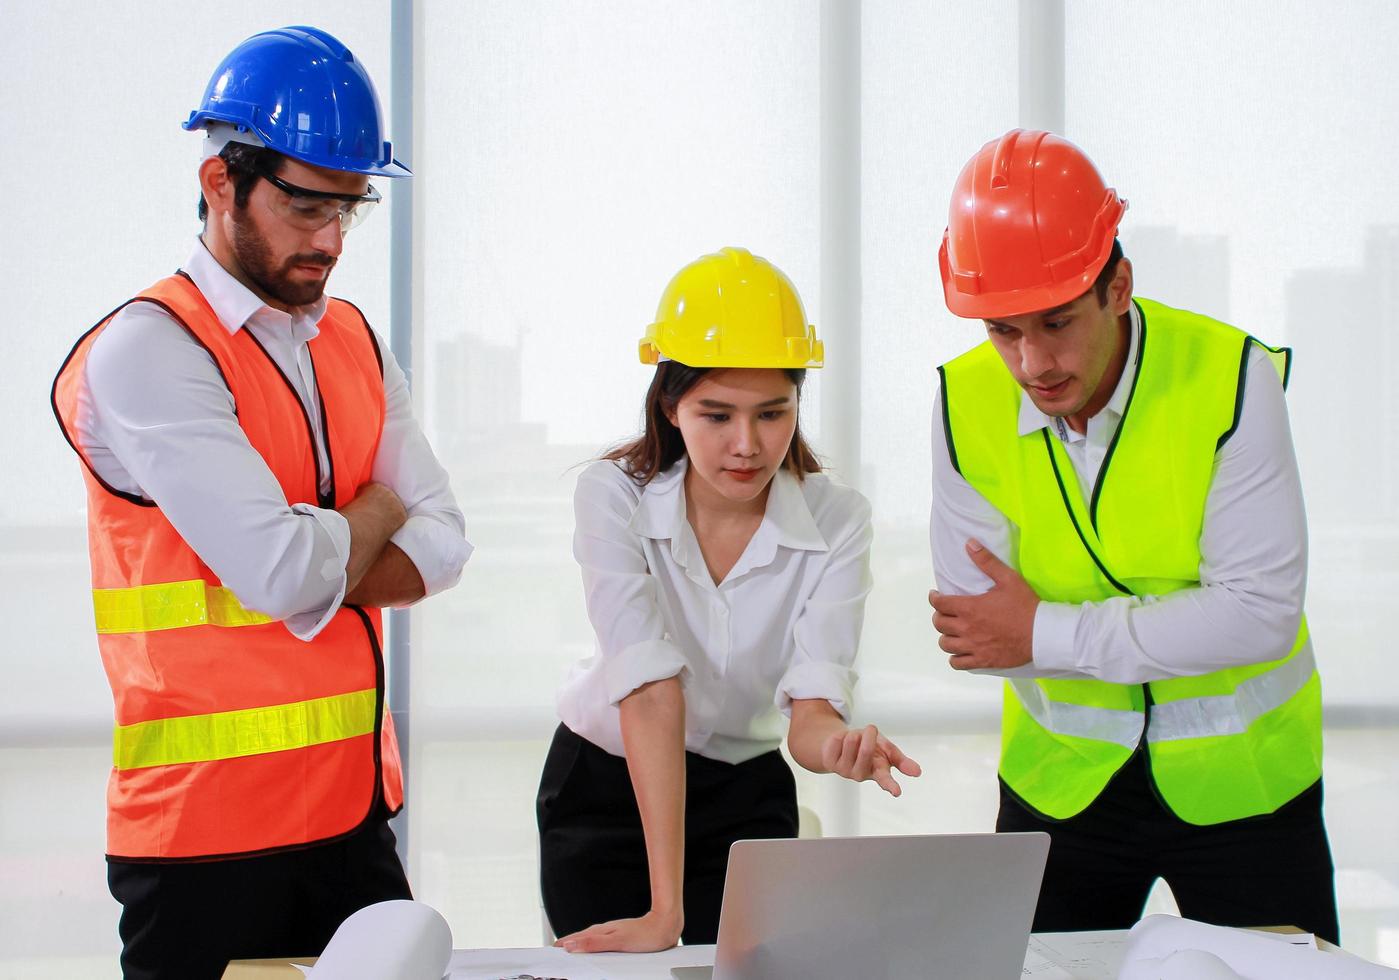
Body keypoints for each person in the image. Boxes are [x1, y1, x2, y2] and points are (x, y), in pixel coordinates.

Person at [50, 26, 470, 979]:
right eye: (304, 204)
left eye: (349, 209)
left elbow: (447, 541)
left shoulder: (352, 338)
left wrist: (328, 553)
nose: (328, 239)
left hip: (355, 822)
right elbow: (282, 576)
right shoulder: (149, 350)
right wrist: (371, 514)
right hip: (203, 842)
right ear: (220, 184)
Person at [927, 129, 1338, 942]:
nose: (1031, 362)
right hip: (1061, 787)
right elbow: (975, 629)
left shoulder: (1228, 377)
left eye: (1054, 321)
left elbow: (1258, 613)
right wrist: (1180, 618)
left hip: (1244, 785)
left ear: (1116, 285)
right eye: (1002, 331)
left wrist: (1043, 627)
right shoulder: (961, 401)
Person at [537, 247, 921, 953]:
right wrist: (665, 910)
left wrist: (835, 745)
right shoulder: (612, 496)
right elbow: (648, 690)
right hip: (607, 788)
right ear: (670, 406)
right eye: (716, 415)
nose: (747, 446)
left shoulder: (838, 519)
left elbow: (809, 711)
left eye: (772, 414)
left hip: (744, 787)